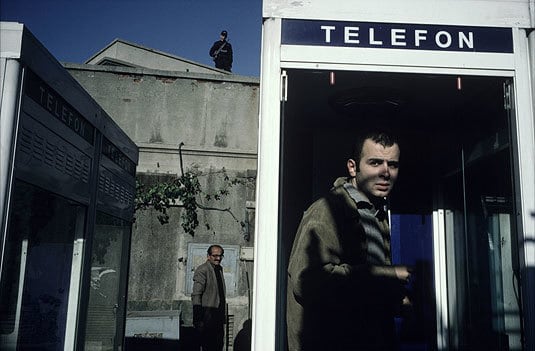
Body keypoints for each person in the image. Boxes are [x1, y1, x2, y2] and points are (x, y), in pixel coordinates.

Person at [286, 130, 412, 351]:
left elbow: (362, 293)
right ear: (353, 167)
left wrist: (394, 299)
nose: (385, 173)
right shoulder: (327, 211)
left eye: (392, 165)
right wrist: (388, 274)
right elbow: (309, 283)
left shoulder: (376, 214)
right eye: (375, 163)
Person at [192, 245, 227, 351]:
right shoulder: (202, 270)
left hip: (218, 317)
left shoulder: (219, 269)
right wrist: (198, 319)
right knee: (208, 346)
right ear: (208, 256)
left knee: (218, 345)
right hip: (207, 318)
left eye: (220, 256)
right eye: (215, 255)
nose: (218, 258)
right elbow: (196, 295)